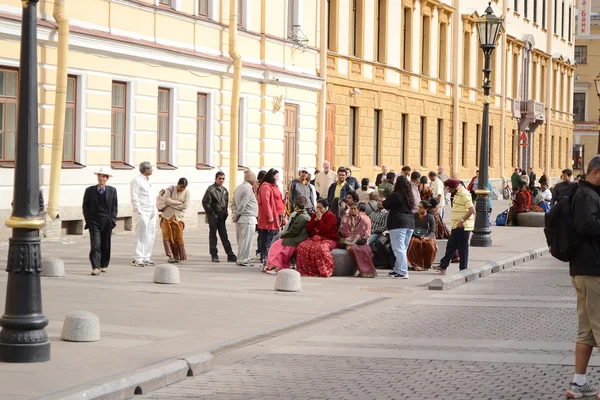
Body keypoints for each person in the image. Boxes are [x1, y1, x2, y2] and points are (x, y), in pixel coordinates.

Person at [565, 156, 600, 399]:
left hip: (584, 270)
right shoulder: (587, 195)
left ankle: (579, 383)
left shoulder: (585, 193)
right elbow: (587, 225)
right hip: (593, 271)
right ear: (596, 172)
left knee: (586, 331)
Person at [83, 167, 118, 276]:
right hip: (94, 221)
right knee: (95, 244)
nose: (101, 178)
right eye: (99, 176)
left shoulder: (112, 190)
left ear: (107, 178)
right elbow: (85, 206)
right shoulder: (90, 190)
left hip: (106, 220)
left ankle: (104, 264)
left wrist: (112, 220)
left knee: (106, 244)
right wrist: (88, 219)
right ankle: (95, 267)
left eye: (104, 176)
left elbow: (114, 207)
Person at [435, 179, 475, 274]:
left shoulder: (464, 194)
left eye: (449, 189)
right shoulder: (457, 194)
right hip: (456, 225)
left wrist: (462, 220)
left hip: (463, 226)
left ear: (453, 187)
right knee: (451, 246)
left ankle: (463, 268)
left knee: (462, 248)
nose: (449, 191)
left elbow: (472, 209)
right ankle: (443, 266)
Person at [265, 196, 310, 274]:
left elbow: (293, 231)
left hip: (296, 239)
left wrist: (282, 235)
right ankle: (273, 265)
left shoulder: (302, 217)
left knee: (277, 245)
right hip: (295, 237)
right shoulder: (300, 215)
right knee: (277, 242)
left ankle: (276, 266)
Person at [296, 199, 339, 277]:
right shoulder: (314, 215)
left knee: (321, 248)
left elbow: (325, 229)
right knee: (302, 246)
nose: (318, 210)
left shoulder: (331, 216)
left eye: (320, 208)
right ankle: (306, 270)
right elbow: (309, 228)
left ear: (326, 208)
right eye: (317, 207)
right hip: (315, 238)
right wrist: (315, 220)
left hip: (328, 238)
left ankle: (323, 270)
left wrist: (320, 219)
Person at [383, 176, 416, 279]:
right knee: (402, 248)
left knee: (398, 248)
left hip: (398, 223)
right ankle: (397, 269)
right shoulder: (409, 195)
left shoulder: (396, 195)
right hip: (410, 223)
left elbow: (385, 204)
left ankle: (403, 271)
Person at [202, 171, 237, 263]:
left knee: (224, 235)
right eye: (219, 178)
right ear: (216, 179)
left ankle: (230, 254)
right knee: (213, 235)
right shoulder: (211, 189)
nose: (221, 180)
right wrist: (212, 213)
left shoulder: (225, 190)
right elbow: (205, 203)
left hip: (222, 216)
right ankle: (214, 255)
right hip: (213, 216)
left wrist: (225, 213)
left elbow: (225, 203)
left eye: (223, 179)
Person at [338, 203, 377, 278]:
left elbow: (364, 232)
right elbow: (343, 231)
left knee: (367, 249)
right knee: (355, 249)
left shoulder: (361, 220)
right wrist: (353, 239)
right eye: (351, 209)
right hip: (348, 241)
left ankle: (368, 272)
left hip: (359, 241)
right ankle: (363, 271)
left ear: (358, 210)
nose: (352, 210)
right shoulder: (345, 218)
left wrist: (359, 239)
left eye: (354, 209)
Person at [130, 161, 157, 268]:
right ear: (146, 170)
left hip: (152, 211)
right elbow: (134, 196)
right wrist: (139, 211)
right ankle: (138, 258)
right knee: (141, 234)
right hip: (143, 211)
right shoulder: (137, 180)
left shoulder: (149, 181)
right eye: (150, 168)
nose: (152, 170)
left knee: (150, 234)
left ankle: (146, 256)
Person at [257, 168, 285, 269]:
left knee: (274, 239)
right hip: (271, 218)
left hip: (277, 216)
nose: (278, 178)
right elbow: (266, 202)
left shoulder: (274, 186)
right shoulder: (266, 187)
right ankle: (266, 260)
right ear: (271, 176)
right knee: (269, 239)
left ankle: (271, 260)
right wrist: (270, 216)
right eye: (276, 176)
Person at [231, 170, 259, 266]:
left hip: (241, 219)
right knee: (246, 241)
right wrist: (237, 214)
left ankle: (242, 257)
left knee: (241, 240)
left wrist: (235, 214)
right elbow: (243, 203)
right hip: (248, 218)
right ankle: (243, 259)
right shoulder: (248, 189)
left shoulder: (238, 188)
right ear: (252, 180)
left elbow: (233, 203)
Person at [159, 178, 190, 264]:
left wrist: (171, 205)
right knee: (167, 237)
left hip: (178, 218)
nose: (182, 189)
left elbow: (185, 206)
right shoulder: (171, 189)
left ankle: (178, 255)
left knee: (178, 237)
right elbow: (166, 200)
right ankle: (170, 256)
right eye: (181, 187)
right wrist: (177, 203)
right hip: (167, 217)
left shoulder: (187, 193)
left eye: (184, 187)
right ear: (178, 184)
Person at [407, 200, 437, 271]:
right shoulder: (414, 216)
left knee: (430, 244)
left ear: (426, 209)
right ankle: (415, 264)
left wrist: (428, 237)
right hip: (414, 235)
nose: (419, 209)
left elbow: (433, 230)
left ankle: (427, 265)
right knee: (414, 243)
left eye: (421, 207)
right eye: (419, 207)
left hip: (426, 236)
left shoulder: (430, 217)